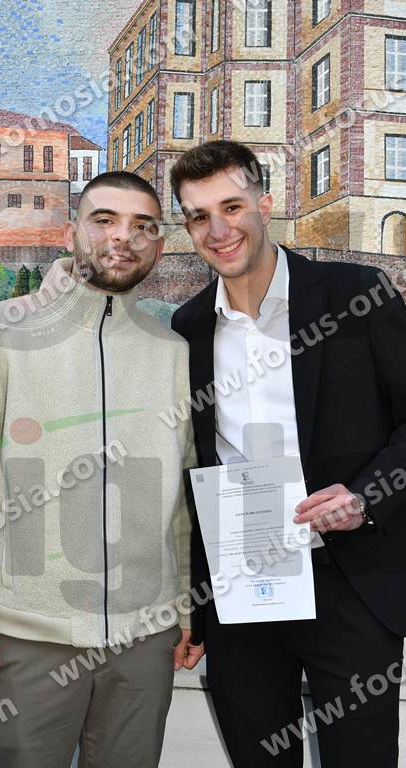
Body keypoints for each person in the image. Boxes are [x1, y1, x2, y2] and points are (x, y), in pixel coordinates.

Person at [0, 171, 203, 768]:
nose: (123, 237)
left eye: (143, 226)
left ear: (158, 245)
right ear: (70, 231)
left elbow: (180, 497)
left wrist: (182, 606)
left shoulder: (173, 351)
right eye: (104, 220)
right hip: (26, 636)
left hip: (145, 639)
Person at [170, 140, 406, 767]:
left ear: (265, 204)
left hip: (350, 586)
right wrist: (196, 603)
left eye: (232, 207)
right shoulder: (187, 329)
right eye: (199, 216)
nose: (219, 231)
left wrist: (366, 497)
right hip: (240, 590)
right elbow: (191, 468)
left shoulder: (358, 295)